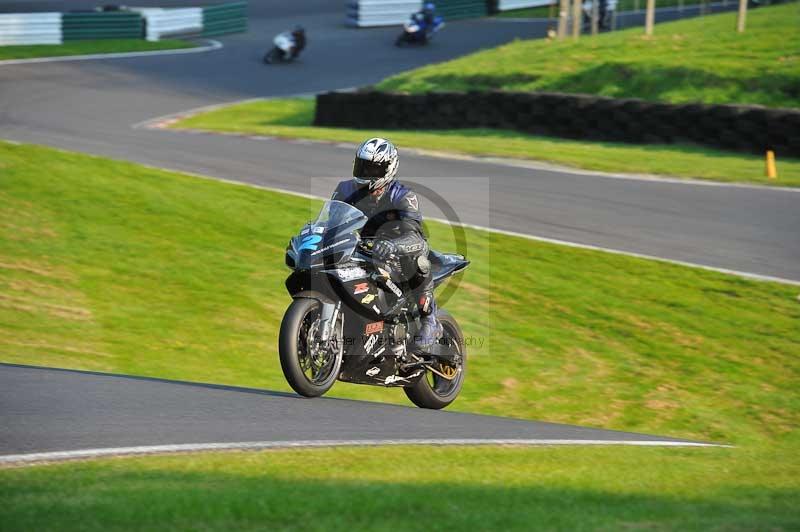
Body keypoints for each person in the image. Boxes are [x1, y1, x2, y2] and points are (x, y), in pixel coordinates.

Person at [331, 138, 442, 350]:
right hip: (360, 248)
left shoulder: (403, 195)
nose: (366, 172)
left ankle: (429, 319)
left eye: (372, 168)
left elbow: (415, 236)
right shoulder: (345, 189)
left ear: (388, 169)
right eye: (362, 165)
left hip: (397, 252)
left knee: (419, 257)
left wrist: (393, 245)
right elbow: (332, 222)